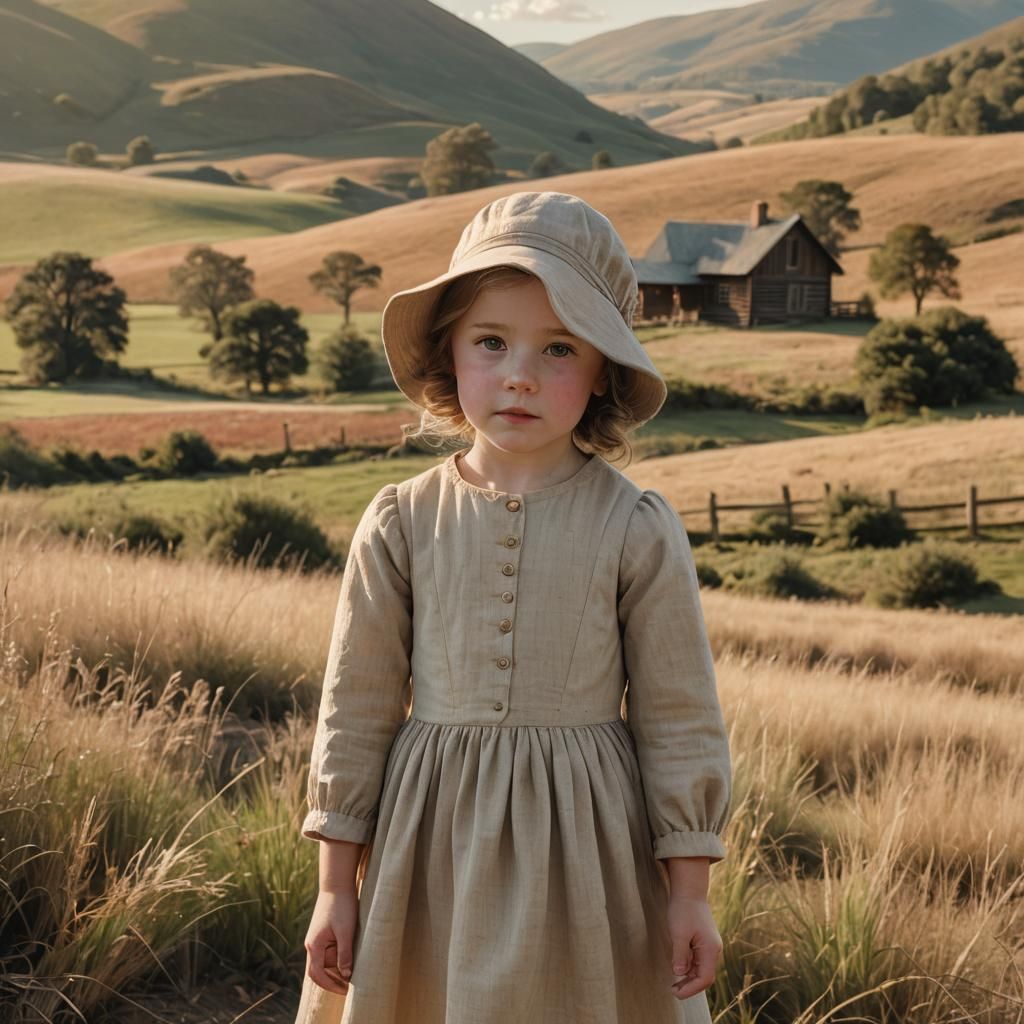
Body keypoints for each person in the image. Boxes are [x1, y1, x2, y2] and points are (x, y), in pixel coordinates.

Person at [295, 191, 733, 1024]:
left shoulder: (636, 526)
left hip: (590, 857)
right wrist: (335, 888)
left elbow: (680, 718)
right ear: (449, 352)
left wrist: (689, 895)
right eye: (490, 341)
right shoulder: (400, 520)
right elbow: (354, 710)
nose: (520, 374)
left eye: (559, 347)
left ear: (603, 369)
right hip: (428, 852)